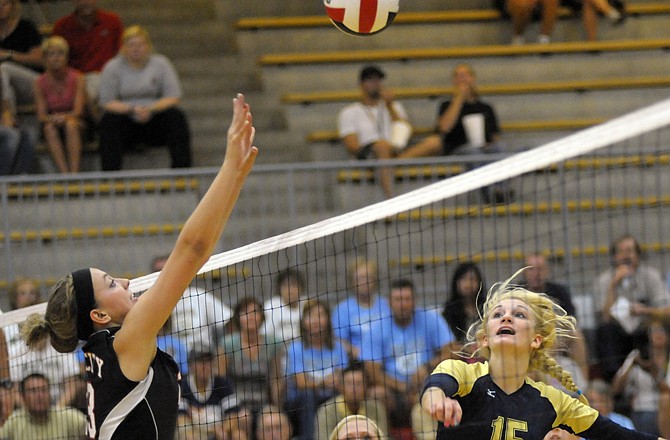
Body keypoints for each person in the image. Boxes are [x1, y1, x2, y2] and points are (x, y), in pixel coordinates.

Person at [20, 93, 258, 439]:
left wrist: (236, 176)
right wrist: (228, 167)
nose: (127, 282)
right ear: (99, 316)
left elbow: (199, 254)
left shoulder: (108, 353)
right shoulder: (125, 343)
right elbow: (191, 250)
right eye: (112, 284)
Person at [420, 269, 666, 440]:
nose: (506, 317)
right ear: (485, 338)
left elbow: (616, 434)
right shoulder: (462, 373)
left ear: (536, 340)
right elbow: (435, 387)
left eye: (519, 314)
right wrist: (437, 400)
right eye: (497, 314)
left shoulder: (553, 401)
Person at [398, 64, 509, 204]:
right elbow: (444, 128)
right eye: (458, 76)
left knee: (499, 148)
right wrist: (459, 99)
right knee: (473, 152)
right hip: (458, 148)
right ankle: (488, 193)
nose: (462, 79)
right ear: (453, 81)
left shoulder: (485, 107)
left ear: (473, 79)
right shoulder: (446, 105)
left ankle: (499, 189)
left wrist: (490, 145)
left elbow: (495, 136)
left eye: (465, 75)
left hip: (483, 147)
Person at [362, 279, 456, 430]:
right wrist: (401, 386)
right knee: (376, 394)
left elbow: (452, 352)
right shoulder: (377, 327)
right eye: (398, 299)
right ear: (389, 302)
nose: (402, 304)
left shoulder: (430, 319)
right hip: (393, 389)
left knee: (443, 388)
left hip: (427, 383)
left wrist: (427, 367)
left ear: (414, 301)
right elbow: (372, 370)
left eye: (407, 299)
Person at [97, 25, 192, 171]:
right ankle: (111, 177)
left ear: (148, 46)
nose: (136, 49)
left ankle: (182, 173)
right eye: (131, 45)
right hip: (126, 119)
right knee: (108, 122)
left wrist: (151, 108)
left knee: (176, 117)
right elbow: (106, 101)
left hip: (154, 118)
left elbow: (174, 96)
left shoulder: (161, 64)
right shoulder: (112, 67)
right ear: (123, 47)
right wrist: (132, 109)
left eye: (140, 45)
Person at [593, 234, 670, 381]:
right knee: (605, 331)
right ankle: (614, 382)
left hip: (646, 329)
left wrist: (645, 310)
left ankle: (662, 377)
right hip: (618, 334)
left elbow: (667, 310)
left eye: (629, 251)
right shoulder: (604, 280)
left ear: (638, 255)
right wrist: (613, 286)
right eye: (620, 252)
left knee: (659, 328)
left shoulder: (651, 276)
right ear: (614, 257)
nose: (625, 256)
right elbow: (605, 317)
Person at [337, 65, 411, 198]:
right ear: (362, 84)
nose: (376, 85)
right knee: (382, 146)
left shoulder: (394, 106)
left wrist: (390, 107)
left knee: (432, 143)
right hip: (369, 153)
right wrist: (379, 148)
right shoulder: (349, 112)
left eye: (378, 80)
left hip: (395, 151)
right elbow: (351, 144)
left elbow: (404, 129)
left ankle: (386, 160)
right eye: (371, 80)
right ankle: (390, 200)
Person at [285, 299, 350, 440]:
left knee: (344, 395)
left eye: (320, 315)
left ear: (328, 319)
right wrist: (323, 383)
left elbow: (343, 378)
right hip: (300, 401)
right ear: (303, 321)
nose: (315, 320)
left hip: (331, 394)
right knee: (308, 395)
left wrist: (335, 382)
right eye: (310, 316)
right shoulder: (295, 348)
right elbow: (301, 383)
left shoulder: (338, 347)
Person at [523, 252, 589, 384]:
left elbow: (571, 321)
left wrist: (555, 342)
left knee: (576, 335)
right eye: (531, 269)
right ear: (524, 272)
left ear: (547, 271)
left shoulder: (559, 291)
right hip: (526, 339)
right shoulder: (516, 292)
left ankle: (585, 388)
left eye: (540, 269)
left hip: (555, 339)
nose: (536, 273)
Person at [52, 0, 123, 118]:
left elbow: (121, 53)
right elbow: (56, 59)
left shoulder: (112, 21)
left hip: (107, 76)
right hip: (76, 79)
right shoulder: (62, 26)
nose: (86, 2)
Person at [151, 254, 233, 348]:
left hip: (203, 357)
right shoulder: (153, 304)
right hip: (173, 357)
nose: (164, 275)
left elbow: (228, 319)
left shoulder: (198, 295)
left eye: (167, 270)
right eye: (159, 272)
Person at [219, 297, 283, 411]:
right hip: (236, 404)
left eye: (255, 312)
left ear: (262, 317)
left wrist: (276, 408)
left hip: (264, 403)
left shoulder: (273, 343)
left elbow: (276, 379)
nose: (251, 317)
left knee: (274, 421)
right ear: (238, 318)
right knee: (244, 418)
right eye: (245, 313)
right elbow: (221, 379)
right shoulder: (227, 344)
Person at [34, 36, 87, 174]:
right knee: (49, 129)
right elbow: (41, 116)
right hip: (52, 122)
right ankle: (64, 174)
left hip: (76, 121)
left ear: (66, 57)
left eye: (60, 53)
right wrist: (54, 119)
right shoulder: (39, 82)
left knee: (70, 124)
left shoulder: (78, 77)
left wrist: (64, 117)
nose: (56, 58)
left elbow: (78, 111)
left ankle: (74, 174)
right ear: (45, 58)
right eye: (51, 54)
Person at [611, 320, 669, 436]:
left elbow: (667, 390)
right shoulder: (637, 355)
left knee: (665, 399)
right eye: (654, 331)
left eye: (662, 331)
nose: (658, 334)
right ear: (648, 335)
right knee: (646, 418)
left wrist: (653, 371)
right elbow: (615, 389)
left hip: (667, 409)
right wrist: (631, 364)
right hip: (643, 410)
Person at [332, 257, 391, 359]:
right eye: (359, 278)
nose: (364, 282)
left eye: (368, 277)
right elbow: (338, 339)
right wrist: (356, 352)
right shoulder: (342, 309)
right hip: (358, 361)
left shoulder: (386, 304)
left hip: (387, 357)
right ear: (352, 282)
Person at [315, 360, 388, 440]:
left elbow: (383, 437)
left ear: (366, 387)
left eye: (359, 383)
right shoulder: (326, 411)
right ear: (340, 387)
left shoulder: (376, 408)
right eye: (349, 383)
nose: (354, 389)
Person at [0, 372, 86, 440]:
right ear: (23, 396)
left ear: (50, 394)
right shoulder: (13, 421)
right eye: (33, 391)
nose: (39, 396)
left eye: (44, 390)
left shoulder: (69, 417)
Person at [179, 346, 238, 434]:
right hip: (195, 435)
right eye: (200, 361)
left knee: (238, 434)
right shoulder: (183, 386)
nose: (204, 366)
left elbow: (232, 418)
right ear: (191, 365)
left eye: (208, 361)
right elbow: (181, 420)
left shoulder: (223, 384)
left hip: (219, 434)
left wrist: (220, 431)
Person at [0, 0, 43, 116]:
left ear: (13, 5)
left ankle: (8, 116)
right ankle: (11, 130)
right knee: (5, 83)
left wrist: (9, 55)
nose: (1, 8)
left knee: (4, 68)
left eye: (5, 4)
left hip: (32, 82)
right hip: (6, 87)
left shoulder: (26, 27)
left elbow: (39, 60)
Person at [441, 262, 487, 347]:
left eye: (472, 279)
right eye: (463, 279)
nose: (468, 284)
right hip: (459, 355)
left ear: (479, 282)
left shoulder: (487, 307)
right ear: (456, 282)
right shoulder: (449, 310)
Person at [263, 268, 308, 344]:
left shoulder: (307, 304)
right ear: (279, 289)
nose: (290, 290)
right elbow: (266, 334)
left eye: (294, 285)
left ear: (301, 288)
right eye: (285, 286)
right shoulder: (271, 306)